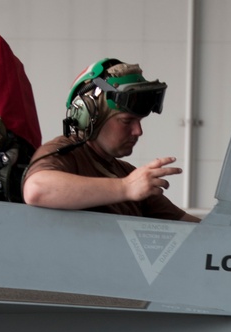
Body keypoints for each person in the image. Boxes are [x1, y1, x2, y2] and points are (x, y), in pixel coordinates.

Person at [22, 58, 199, 221]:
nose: (138, 131)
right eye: (126, 121)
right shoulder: (65, 152)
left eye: (139, 121)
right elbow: (36, 189)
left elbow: (193, 227)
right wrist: (125, 188)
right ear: (90, 117)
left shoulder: (127, 174)